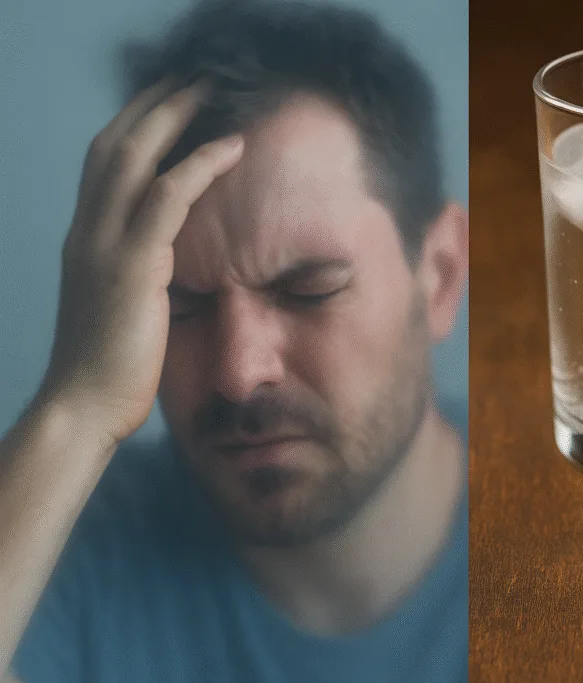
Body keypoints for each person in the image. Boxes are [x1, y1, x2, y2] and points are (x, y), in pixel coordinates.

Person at [0, 1, 468, 681]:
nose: (239, 372)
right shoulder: (60, 545)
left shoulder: (545, 537)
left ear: (442, 276)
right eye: (181, 306)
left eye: (309, 290)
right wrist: (76, 406)